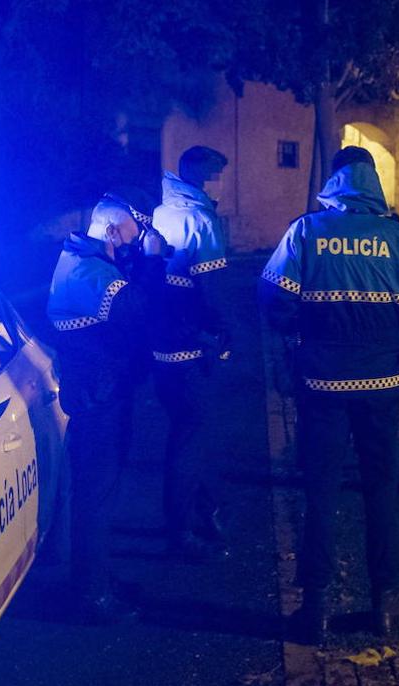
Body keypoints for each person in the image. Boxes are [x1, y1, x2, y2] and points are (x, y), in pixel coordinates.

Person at [260, 145, 399, 643]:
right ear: (373, 181)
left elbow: (272, 299)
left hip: (321, 383)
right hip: (382, 384)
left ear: (334, 181)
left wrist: (302, 337)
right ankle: (383, 604)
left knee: (320, 490)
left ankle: (314, 608)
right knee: (381, 489)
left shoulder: (307, 232)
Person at [47, 191, 165, 623]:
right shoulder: (87, 272)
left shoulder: (91, 261)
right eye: (134, 236)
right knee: (95, 499)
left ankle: (98, 579)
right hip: (97, 399)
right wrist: (151, 262)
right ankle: (92, 595)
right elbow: (142, 312)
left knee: (103, 495)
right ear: (113, 230)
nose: (137, 243)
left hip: (103, 392)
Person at [150, 145, 234, 559]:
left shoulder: (164, 212)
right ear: (200, 174)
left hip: (164, 347)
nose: (219, 177)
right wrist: (225, 333)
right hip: (192, 347)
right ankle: (180, 534)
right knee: (190, 441)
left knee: (187, 434)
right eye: (215, 171)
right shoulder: (201, 219)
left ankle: (206, 511)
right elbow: (213, 288)